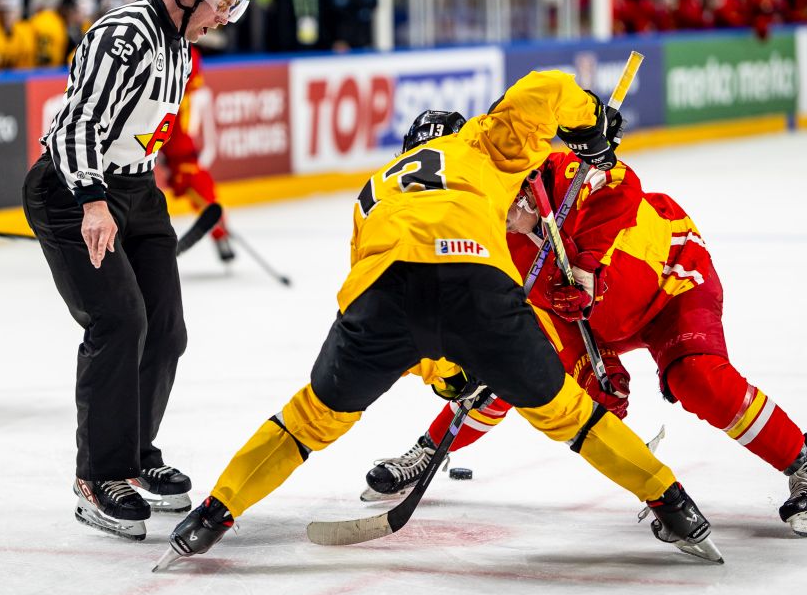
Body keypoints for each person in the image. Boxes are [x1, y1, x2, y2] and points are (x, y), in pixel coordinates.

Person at [161, 78, 721, 568]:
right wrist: (589, 122)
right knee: (571, 416)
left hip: (383, 294)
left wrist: (448, 376)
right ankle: (674, 505)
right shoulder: (478, 142)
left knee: (307, 419)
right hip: (475, 283)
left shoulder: (374, 188)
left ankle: (212, 514)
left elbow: (377, 299)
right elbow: (544, 88)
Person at [361, 147, 807, 538]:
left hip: (669, 281)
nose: (491, 217)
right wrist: (592, 368)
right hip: (596, 318)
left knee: (696, 377)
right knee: (515, 369)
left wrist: (587, 265)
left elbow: (624, 186)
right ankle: (429, 451)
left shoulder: (562, 172)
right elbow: (541, 322)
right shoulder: (492, 240)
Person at [22, 0, 252, 541]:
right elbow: (73, 126)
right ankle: (98, 475)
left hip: (136, 188)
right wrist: (94, 203)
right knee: (119, 321)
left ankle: (132, 454)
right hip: (72, 188)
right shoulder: (125, 36)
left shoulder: (181, 44)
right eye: (221, 2)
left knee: (166, 328)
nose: (224, 15)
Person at [158, 46, 233, 262]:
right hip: (175, 151)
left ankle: (220, 231)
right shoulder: (185, 58)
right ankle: (220, 231)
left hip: (178, 151)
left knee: (202, 189)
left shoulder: (187, 59)